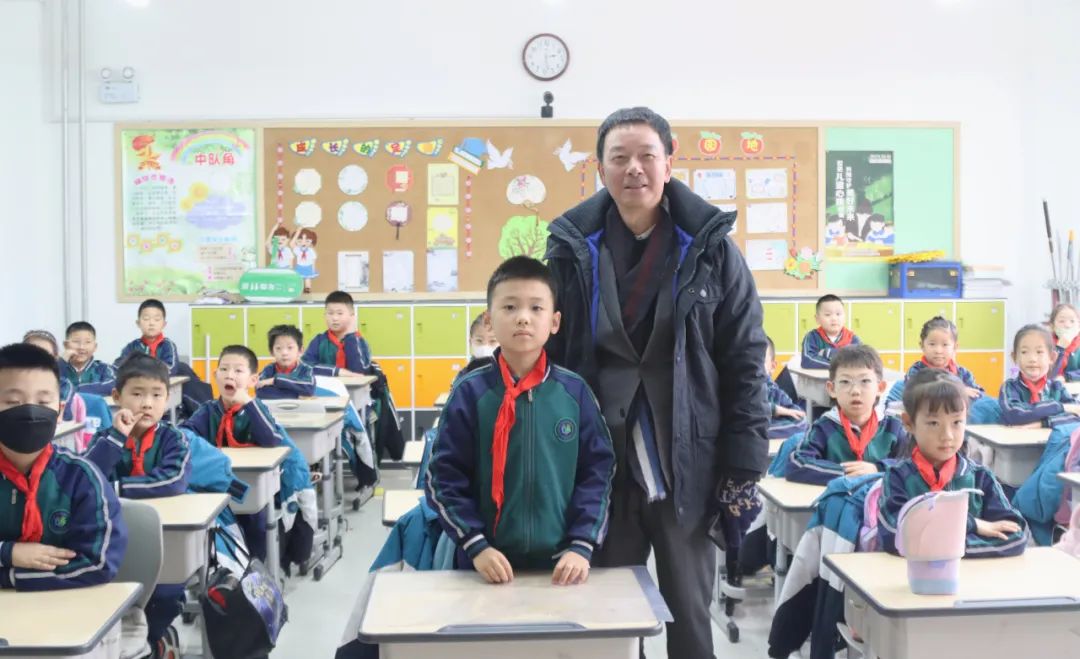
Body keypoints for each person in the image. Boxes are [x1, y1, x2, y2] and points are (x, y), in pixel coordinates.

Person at [544, 107, 769, 657]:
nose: (634, 169)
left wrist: (744, 462)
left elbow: (745, 358)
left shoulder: (711, 249)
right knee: (607, 619)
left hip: (686, 462)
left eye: (647, 155)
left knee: (689, 617)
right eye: (619, 158)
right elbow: (550, 357)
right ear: (600, 168)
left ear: (669, 163)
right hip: (600, 467)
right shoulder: (571, 250)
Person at [425, 257, 615, 586]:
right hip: (483, 565)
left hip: (561, 566)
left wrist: (582, 543)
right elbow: (444, 476)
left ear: (554, 322)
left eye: (536, 308)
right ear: (489, 320)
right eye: (510, 307)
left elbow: (598, 472)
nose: (523, 318)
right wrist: (475, 543)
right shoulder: (470, 393)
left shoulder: (574, 393)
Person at [83, 353, 191, 653]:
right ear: (117, 397)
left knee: (166, 591)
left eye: (156, 395)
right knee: (104, 596)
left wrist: (116, 488)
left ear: (168, 399)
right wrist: (116, 437)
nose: (147, 404)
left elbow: (173, 480)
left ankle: (154, 637)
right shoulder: (106, 438)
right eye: (137, 394)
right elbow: (87, 477)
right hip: (110, 538)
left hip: (166, 534)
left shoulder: (174, 438)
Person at [0, 342, 127, 591]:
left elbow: (98, 564)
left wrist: (11, 577)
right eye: (13, 401)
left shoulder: (82, 478)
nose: (30, 411)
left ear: (59, 412)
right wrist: (8, 552)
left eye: (43, 400)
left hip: (68, 607)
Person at [878, 368, 1027, 556]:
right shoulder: (898, 477)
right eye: (933, 423)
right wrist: (972, 525)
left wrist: (948, 545)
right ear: (908, 423)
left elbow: (1016, 536)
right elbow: (897, 536)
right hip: (914, 575)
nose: (947, 435)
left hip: (973, 575)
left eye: (957, 422)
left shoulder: (980, 478)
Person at [182, 345, 284, 560]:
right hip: (214, 486)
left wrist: (249, 403)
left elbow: (271, 439)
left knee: (256, 521)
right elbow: (184, 438)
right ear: (215, 375)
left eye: (238, 371)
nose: (230, 375)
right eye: (224, 369)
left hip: (251, 487)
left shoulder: (256, 409)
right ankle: (226, 565)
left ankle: (255, 565)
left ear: (253, 380)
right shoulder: (208, 410)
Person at [788, 345, 906, 485]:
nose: (855, 391)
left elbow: (911, 462)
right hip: (838, 496)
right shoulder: (824, 427)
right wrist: (846, 473)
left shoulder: (893, 426)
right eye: (845, 382)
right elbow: (798, 464)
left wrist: (877, 468)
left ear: (880, 388)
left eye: (865, 381)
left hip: (880, 497)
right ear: (832, 389)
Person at [999, 324, 1080, 427]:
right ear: (1014, 357)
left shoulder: (1056, 387)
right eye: (1024, 352)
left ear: (1052, 357)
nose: (1032, 359)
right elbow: (1014, 414)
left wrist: (1044, 423)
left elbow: (1077, 414)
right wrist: (1061, 407)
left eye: (1039, 352)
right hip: (1017, 437)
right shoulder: (1010, 387)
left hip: (1049, 437)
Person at [906, 316, 983, 398]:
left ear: (955, 347)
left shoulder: (963, 374)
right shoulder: (916, 371)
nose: (938, 351)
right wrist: (958, 391)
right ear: (922, 345)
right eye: (932, 344)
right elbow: (915, 393)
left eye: (945, 345)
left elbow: (978, 393)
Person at [301, 290, 372, 377]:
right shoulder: (319, 341)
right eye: (330, 313)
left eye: (340, 313)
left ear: (352, 316)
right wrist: (336, 371)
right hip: (327, 385)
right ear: (325, 315)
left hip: (353, 386)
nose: (334, 318)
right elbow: (305, 367)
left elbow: (360, 373)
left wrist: (351, 336)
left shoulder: (360, 342)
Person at [115, 299, 180, 376]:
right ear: (138, 323)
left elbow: (171, 369)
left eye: (157, 319)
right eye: (146, 319)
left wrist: (140, 370)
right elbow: (117, 367)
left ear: (164, 324)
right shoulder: (132, 347)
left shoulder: (168, 345)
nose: (151, 323)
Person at [256, 324, 317, 399]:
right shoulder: (269, 369)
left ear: (300, 351)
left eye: (290, 347)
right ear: (271, 352)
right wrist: (296, 395)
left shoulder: (306, 369)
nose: (284, 353)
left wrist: (274, 380)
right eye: (278, 348)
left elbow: (309, 389)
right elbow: (260, 391)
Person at [801, 294, 861, 369]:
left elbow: (859, 361)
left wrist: (827, 353)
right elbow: (807, 361)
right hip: (817, 376)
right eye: (828, 315)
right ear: (817, 319)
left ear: (845, 317)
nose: (834, 318)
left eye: (838, 314)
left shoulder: (852, 338)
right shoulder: (812, 337)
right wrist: (841, 363)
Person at [764, 337, 808, 439]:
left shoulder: (774, 392)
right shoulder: (734, 389)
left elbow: (800, 420)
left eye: (760, 361)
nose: (753, 366)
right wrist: (776, 410)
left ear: (772, 367)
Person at [58, 321, 117, 397]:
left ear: (95, 346)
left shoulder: (103, 368)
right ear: (65, 345)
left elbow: (111, 385)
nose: (81, 347)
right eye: (76, 341)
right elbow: (53, 385)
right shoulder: (57, 367)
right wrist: (62, 361)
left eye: (87, 342)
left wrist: (72, 390)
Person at [1050, 303, 1080, 381]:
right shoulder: (1046, 344)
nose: (1067, 325)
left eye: (1072, 321)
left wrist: (1066, 377)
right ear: (1052, 326)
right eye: (1061, 321)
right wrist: (1060, 348)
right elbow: (1048, 373)